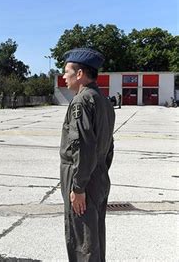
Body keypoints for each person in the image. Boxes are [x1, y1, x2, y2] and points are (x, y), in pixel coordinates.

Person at [60, 48, 115, 261]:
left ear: (80, 73)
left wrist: (78, 186)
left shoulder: (81, 101)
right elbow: (109, 146)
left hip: (83, 178)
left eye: (67, 71)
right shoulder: (103, 100)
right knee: (95, 238)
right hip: (99, 175)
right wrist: (100, 170)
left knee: (82, 242)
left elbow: (81, 145)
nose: (64, 76)